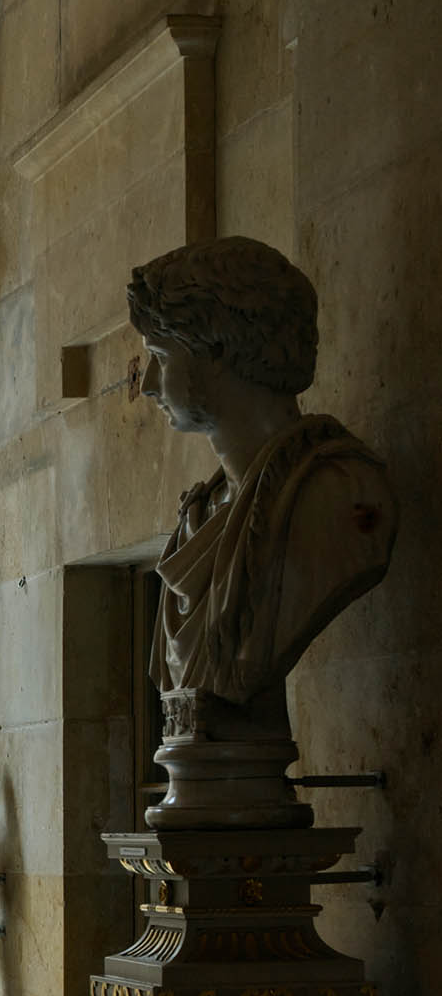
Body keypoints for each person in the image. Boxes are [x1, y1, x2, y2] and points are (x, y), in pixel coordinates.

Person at [128, 237, 395, 824]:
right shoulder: (200, 513)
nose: (146, 383)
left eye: (161, 356)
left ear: (218, 350)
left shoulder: (333, 495)